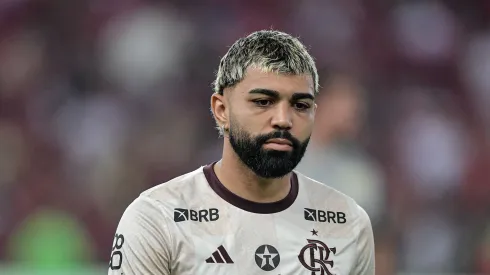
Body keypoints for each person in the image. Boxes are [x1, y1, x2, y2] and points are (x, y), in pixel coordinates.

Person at [108, 30, 375, 275]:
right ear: (222, 110)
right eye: (263, 102)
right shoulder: (157, 217)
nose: (283, 119)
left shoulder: (349, 222)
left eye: (300, 105)